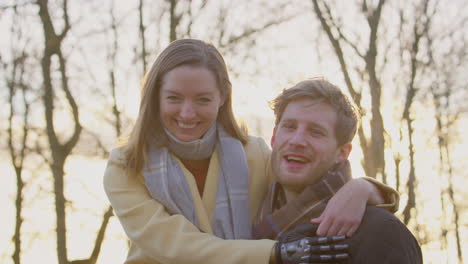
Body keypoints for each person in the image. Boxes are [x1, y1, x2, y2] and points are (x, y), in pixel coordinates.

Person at [103, 39, 398, 264]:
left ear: (222, 98)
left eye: (203, 99)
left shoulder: (253, 154)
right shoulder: (127, 165)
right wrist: (275, 254)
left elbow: (306, 185)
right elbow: (172, 244)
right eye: (174, 98)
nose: (187, 113)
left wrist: (363, 188)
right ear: (154, 97)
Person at [253, 78, 423, 263]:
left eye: (316, 131)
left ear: (342, 152)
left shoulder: (380, 232)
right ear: (273, 138)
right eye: (290, 127)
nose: (297, 140)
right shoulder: (246, 219)